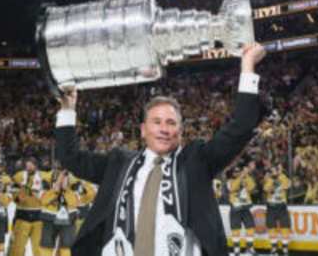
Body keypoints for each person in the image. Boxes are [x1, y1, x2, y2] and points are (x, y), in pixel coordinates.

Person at [54, 43, 266, 256]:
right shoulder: (119, 163)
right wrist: (67, 109)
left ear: (180, 131)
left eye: (171, 123)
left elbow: (240, 128)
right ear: (143, 130)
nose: (164, 129)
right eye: (157, 122)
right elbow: (70, 157)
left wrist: (247, 66)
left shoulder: (196, 161)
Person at [9, 157, 50, 256]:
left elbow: (49, 195)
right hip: (21, 215)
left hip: (38, 216)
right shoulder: (18, 176)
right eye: (27, 164)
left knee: (39, 248)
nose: (29, 167)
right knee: (17, 248)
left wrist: (41, 194)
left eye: (32, 164)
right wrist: (18, 197)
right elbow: (12, 195)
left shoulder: (44, 176)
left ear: (36, 165)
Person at [227, 166, 256, 256]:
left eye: (239, 171)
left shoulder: (245, 179)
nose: (238, 173)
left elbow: (252, 187)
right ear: (232, 173)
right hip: (235, 208)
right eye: (235, 172)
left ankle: (250, 248)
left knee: (250, 227)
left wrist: (247, 176)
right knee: (236, 230)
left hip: (245, 207)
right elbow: (232, 188)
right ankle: (236, 250)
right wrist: (241, 177)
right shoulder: (229, 181)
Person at [263, 163, 291, 256]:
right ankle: (274, 248)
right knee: (272, 228)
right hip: (271, 206)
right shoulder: (268, 179)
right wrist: (272, 178)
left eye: (275, 170)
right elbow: (266, 188)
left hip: (282, 206)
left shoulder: (283, 177)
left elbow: (287, 185)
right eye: (273, 171)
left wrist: (280, 174)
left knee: (285, 227)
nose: (274, 172)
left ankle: (285, 249)